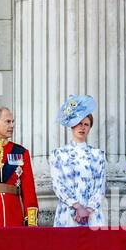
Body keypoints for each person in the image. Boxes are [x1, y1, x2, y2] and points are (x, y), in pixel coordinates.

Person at [49, 94, 107, 228]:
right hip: (67, 213)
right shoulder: (58, 154)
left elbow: (100, 186)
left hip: (92, 215)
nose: (82, 127)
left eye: (86, 124)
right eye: (79, 123)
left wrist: (87, 210)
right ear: (72, 125)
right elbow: (58, 185)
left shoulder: (98, 154)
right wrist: (77, 206)